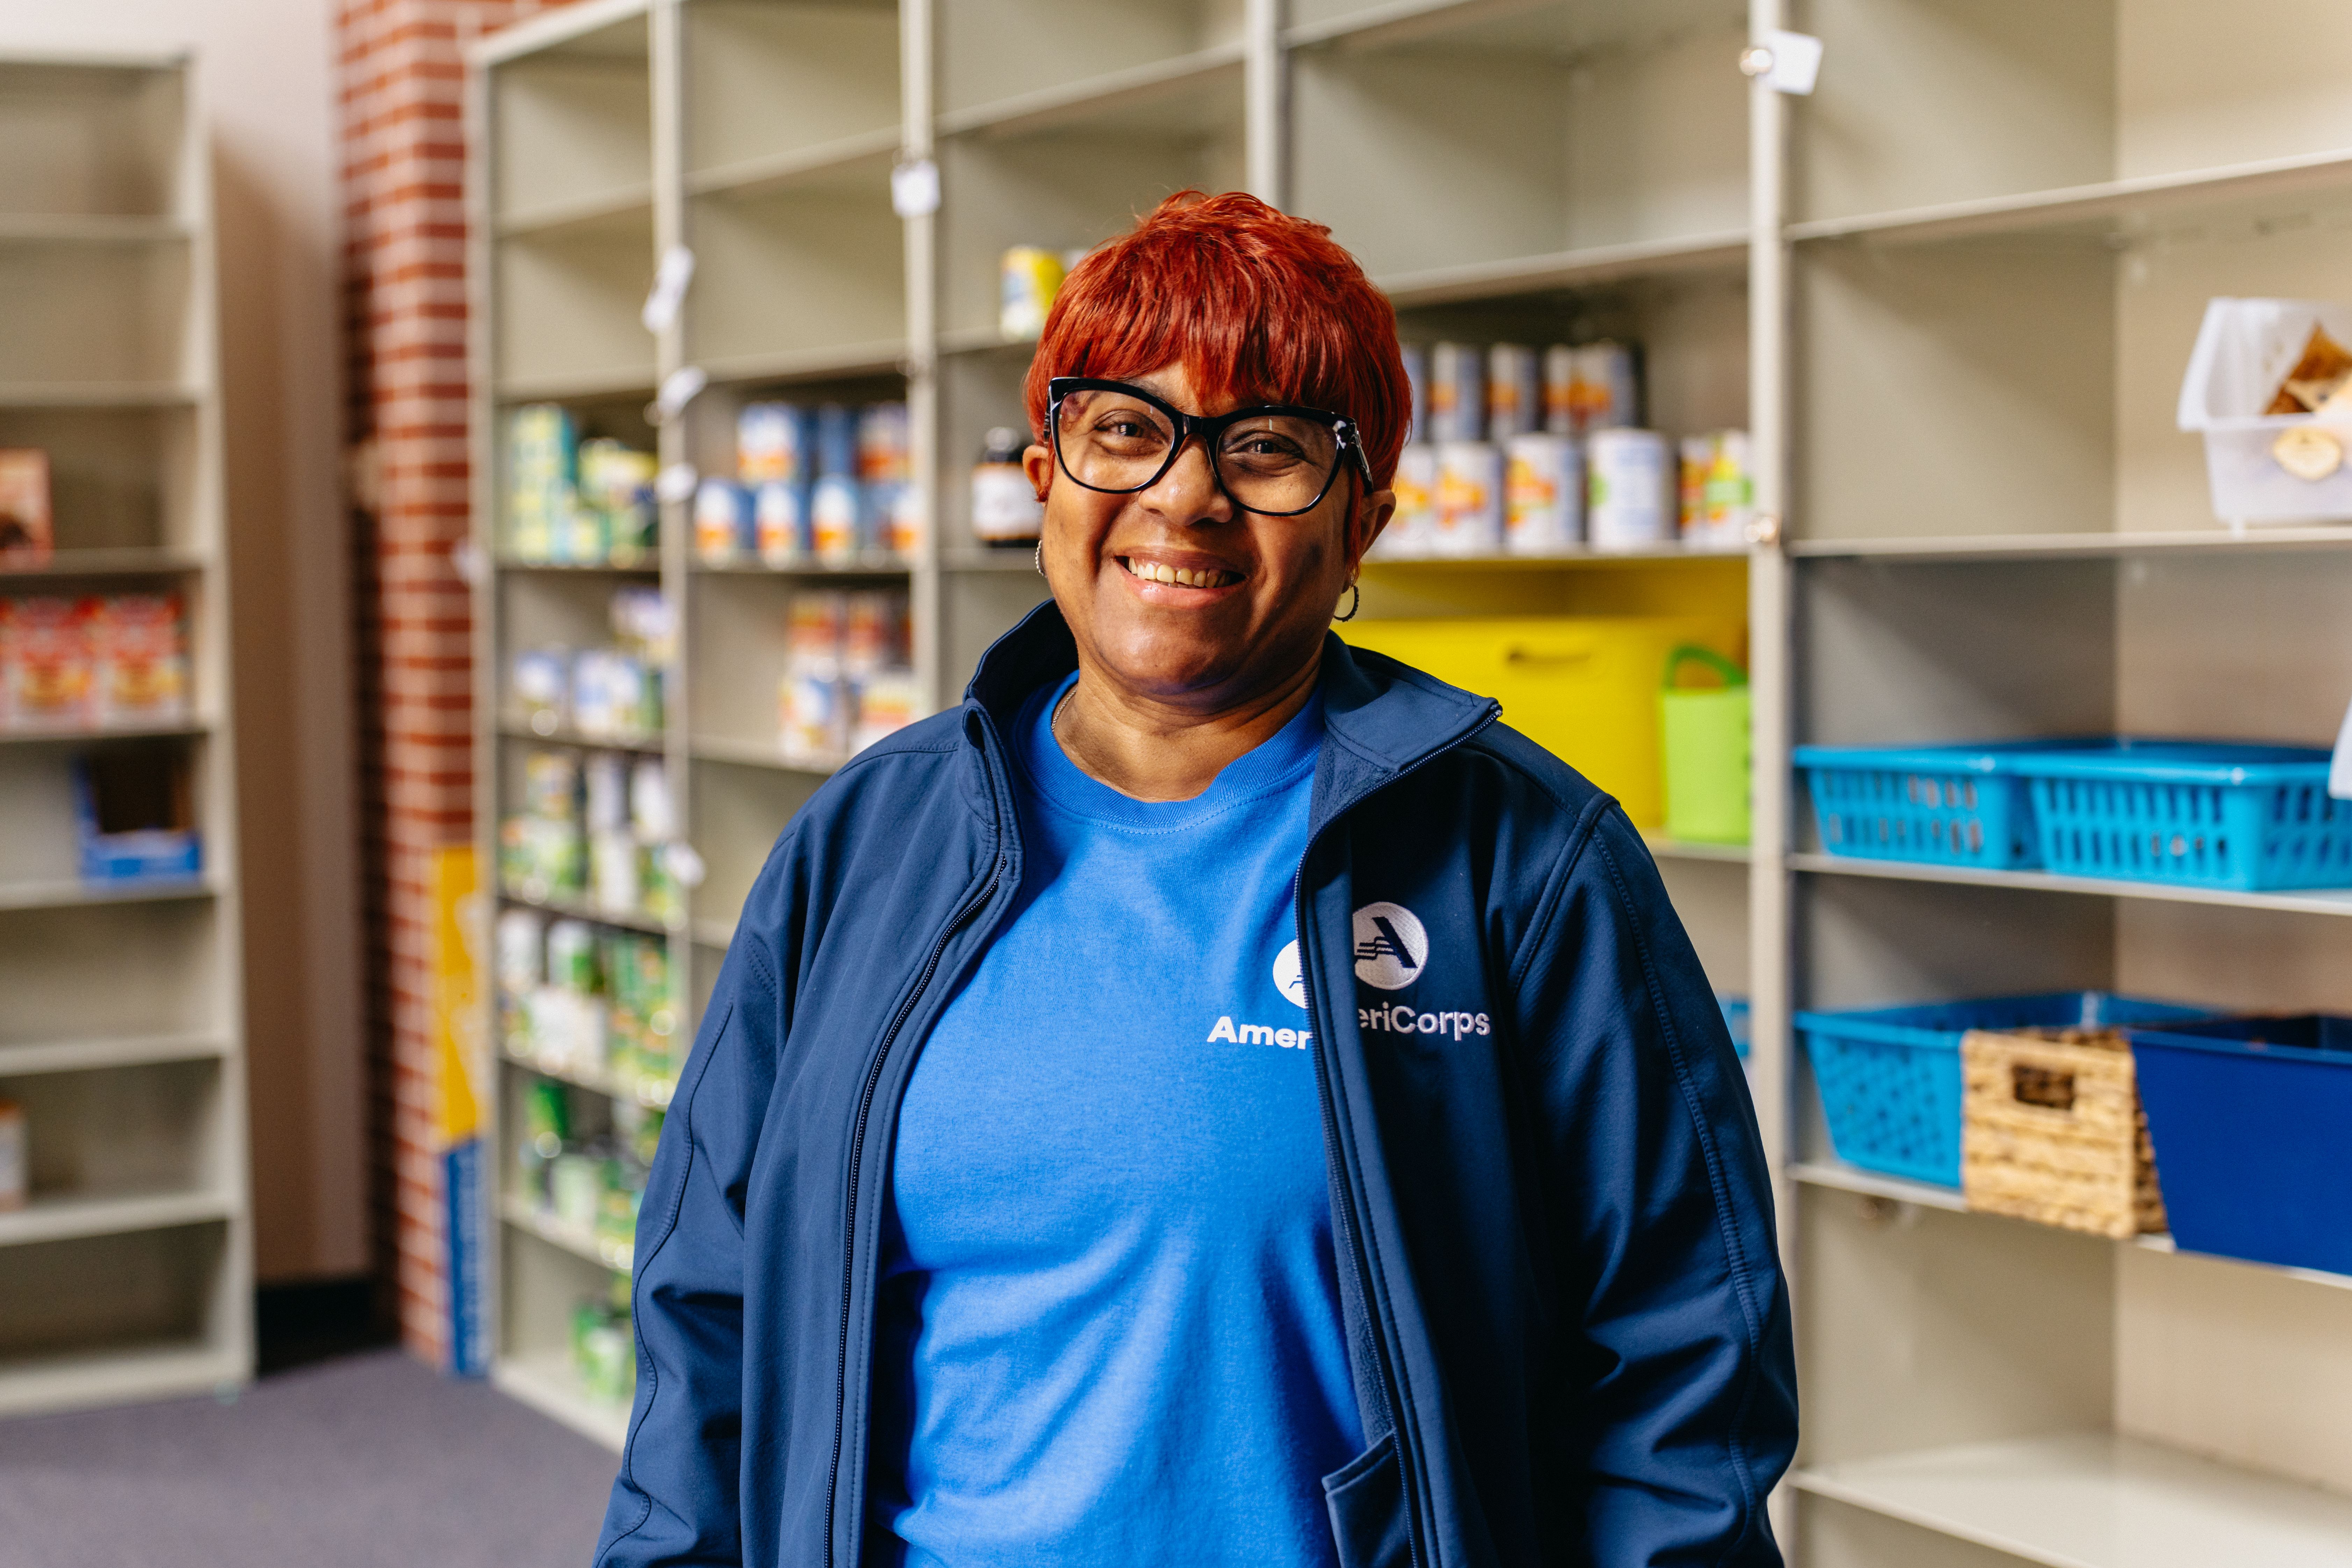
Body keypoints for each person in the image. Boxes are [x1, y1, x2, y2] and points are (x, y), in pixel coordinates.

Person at [594, 190, 1795, 1568]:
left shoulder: (1519, 860)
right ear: (1042, 476)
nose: (1184, 493)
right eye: (1126, 428)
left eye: (1269, 447)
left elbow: (1683, 1373)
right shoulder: (867, 841)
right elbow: (710, 1308)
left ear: (1363, 524)